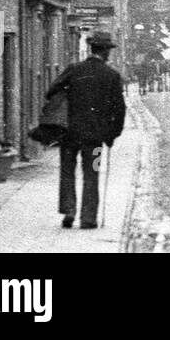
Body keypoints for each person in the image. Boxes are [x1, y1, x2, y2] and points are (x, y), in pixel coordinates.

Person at [46, 31, 126, 230]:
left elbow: (51, 91)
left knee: (67, 171)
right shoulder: (112, 76)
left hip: (69, 134)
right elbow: (120, 109)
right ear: (106, 51)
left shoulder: (74, 69)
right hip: (96, 138)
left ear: (91, 49)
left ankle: (69, 211)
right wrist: (112, 134)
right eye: (109, 50)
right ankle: (88, 218)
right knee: (93, 173)